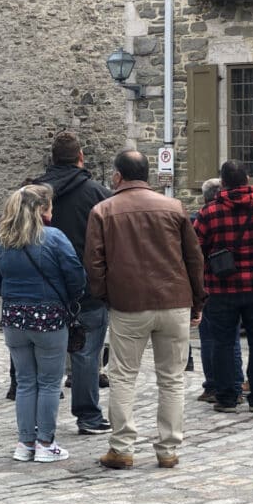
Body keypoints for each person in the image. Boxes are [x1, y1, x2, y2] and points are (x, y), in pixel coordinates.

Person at [85, 150, 204, 469]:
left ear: (117, 176)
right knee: (172, 378)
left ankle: (122, 447)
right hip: (174, 299)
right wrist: (198, 300)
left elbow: (94, 263)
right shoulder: (174, 207)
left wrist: (105, 295)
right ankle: (168, 449)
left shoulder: (103, 210)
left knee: (123, 376)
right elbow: (194, 258)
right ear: (147, 175)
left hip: (128, 304)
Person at [0, 184, 85, 462]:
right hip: (50, 316)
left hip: (14, 317)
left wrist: (13, 296)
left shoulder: (3, 240)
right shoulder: (53, 238)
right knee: (50, 383)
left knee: (26, 382)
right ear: (41, 209)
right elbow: (76, 276)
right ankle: (44, 442)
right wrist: (66, 297)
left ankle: (25, 442)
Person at [32, 132, 112, 436]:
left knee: (38, 358)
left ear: (52, 160)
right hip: (86, 289)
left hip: (40, 287)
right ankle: (88, 416)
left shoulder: (32, 194)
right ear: (81, 158)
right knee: (87, 356)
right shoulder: (98, 194)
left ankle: (37, 421)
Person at [192, 159, 253, 415]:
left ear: (222, 182)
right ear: (247, 180)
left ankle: (226, 397)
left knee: (222, 342)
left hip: (221, 289)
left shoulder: (208, 213)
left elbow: (194, 251)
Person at [193, 177, 244, 404]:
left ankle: (214, 385)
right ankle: (236, 383)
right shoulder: (246, 211)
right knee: (232, 339)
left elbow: (195, 254)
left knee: (211, 338)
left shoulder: (205, 216)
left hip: (212, 285)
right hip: (247, 284)